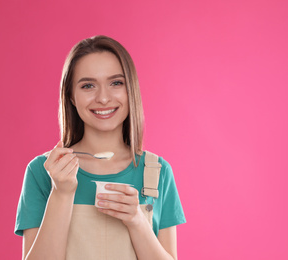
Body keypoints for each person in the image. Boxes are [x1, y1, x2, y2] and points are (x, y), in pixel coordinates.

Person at [14, 35, 186, 260]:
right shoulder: (43, 171)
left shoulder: (157, 172)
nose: (103, 98)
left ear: (130, 89)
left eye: (116, 83)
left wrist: (136, 221)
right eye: (88, 85)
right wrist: (61, 193)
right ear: (71, 97)